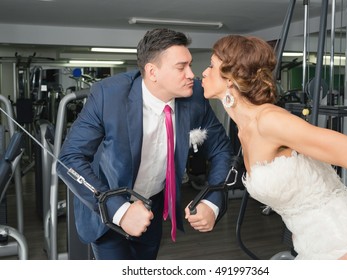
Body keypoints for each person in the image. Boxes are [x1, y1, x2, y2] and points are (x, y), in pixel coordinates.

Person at [201, 34, 347, 260]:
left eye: (211, 66)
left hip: (343, 239)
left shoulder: (270, 121)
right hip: (310, 245)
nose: (204, 72)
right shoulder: (245, 129)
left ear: (230, 79)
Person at [56, 28, 232, 260]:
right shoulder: (109, 96)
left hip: (153, 204)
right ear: (152, 72)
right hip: (109, 205)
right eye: (181, 67)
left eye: (190, 65)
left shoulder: (195, 95)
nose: (192, 74)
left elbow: (221, 149)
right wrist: (118, 210)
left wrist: (213, 199)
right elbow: (68, 159)